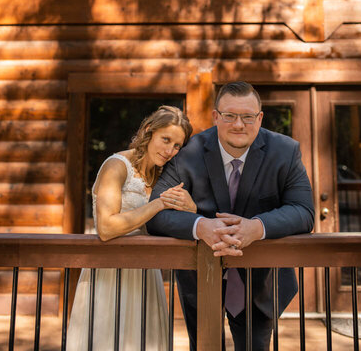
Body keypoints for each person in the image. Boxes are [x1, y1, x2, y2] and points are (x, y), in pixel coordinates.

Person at [147, 82, 315, 351]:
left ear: (259, 118)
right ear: (216, 116)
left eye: (248, 116)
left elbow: (304, 212)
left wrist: (257, 227)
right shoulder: (187, 154)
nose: (239, 124)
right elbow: (155, 214)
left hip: (261, 281)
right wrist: (201, 226)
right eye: (229, 116)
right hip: (200, 278)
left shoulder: (285, 151)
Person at [66, 105, 195, 351]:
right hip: (109, 274)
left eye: (177, 146)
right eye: (165, 140)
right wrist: (158, 204)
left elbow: (174, 223)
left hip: (146, 274)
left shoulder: (164, 176)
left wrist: (191, 207)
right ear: (149, 131)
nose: (170, 151)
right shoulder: (116, 166)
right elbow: (105, 227)